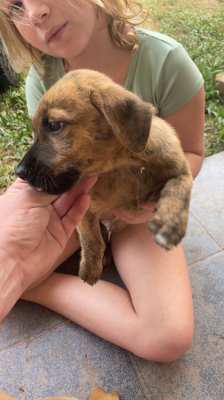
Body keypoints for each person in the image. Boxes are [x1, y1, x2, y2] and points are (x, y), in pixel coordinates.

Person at [0, 0, 205, 362]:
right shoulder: (43, 77)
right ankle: (26, 279)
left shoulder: (166, 62)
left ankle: (35, 286)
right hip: (79, 206)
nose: (35, 12)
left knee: (167, 338)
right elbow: (53, 163)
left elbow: (190, 152)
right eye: (15, 6)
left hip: (133, 209)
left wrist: (159, 204)